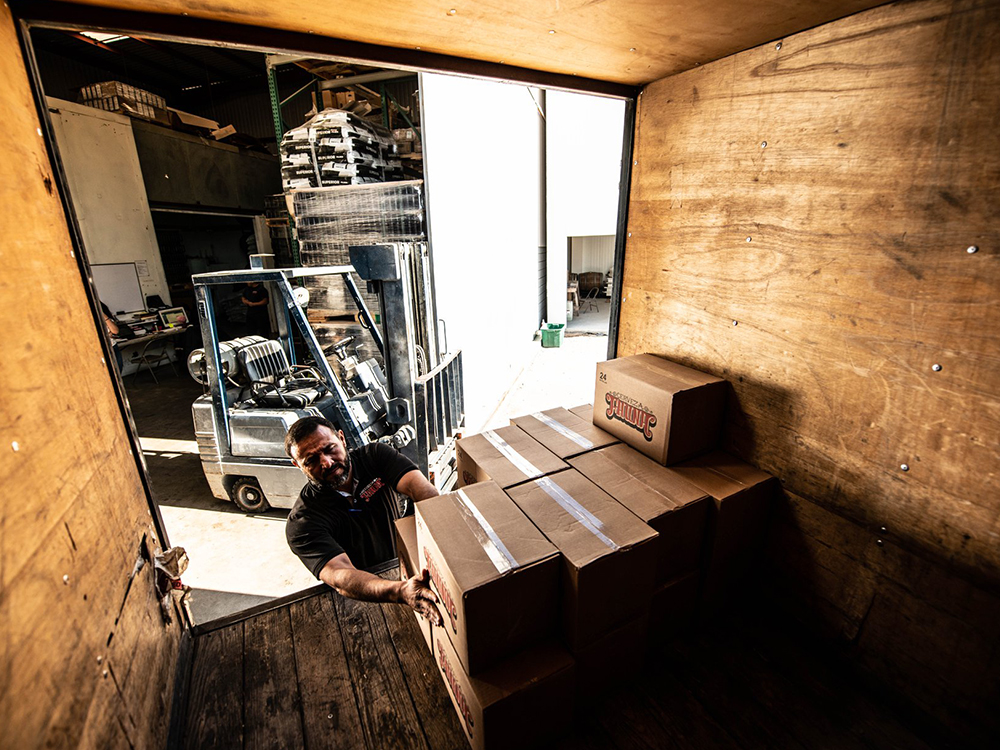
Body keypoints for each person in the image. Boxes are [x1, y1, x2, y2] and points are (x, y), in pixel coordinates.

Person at [284, 415, 443, 624]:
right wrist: (399, 590)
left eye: (329, 448)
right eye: (311, 460)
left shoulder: (376, 457)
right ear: (297, 465)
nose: (326, 462)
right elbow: (341, 575)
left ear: (342, 438)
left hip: (410, 569)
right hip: (365, 597)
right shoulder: (303, 522)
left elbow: (423, 492)